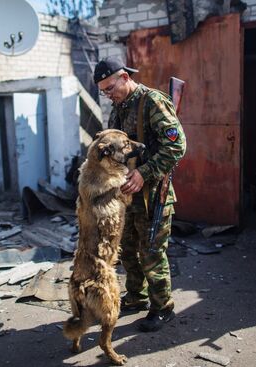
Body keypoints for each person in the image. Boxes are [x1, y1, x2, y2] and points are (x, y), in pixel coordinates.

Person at [93, 56, 187, 332]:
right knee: (130, 251)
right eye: (103, 92)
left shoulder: (152, 101)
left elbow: (177, 145)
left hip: (152, 196)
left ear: (124, 77)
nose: (108, 95)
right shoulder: (118, 108)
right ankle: (137, 296)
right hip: (127, 196)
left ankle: (163, 307)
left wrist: (144, 173)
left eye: (110, 88)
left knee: (151, 253)